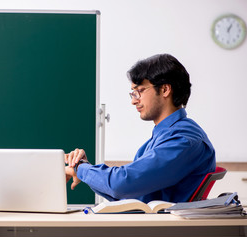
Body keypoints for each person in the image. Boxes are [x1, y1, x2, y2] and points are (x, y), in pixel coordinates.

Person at [65, 53, 216, 203]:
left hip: (165, 226)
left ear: (165, 90)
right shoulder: (162, 137)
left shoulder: (182, 139)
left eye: (139, 91)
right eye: (132, 93)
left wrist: (81, 168)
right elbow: (130, 193)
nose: (133, 101)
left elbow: (122, 184)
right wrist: (83, 169)